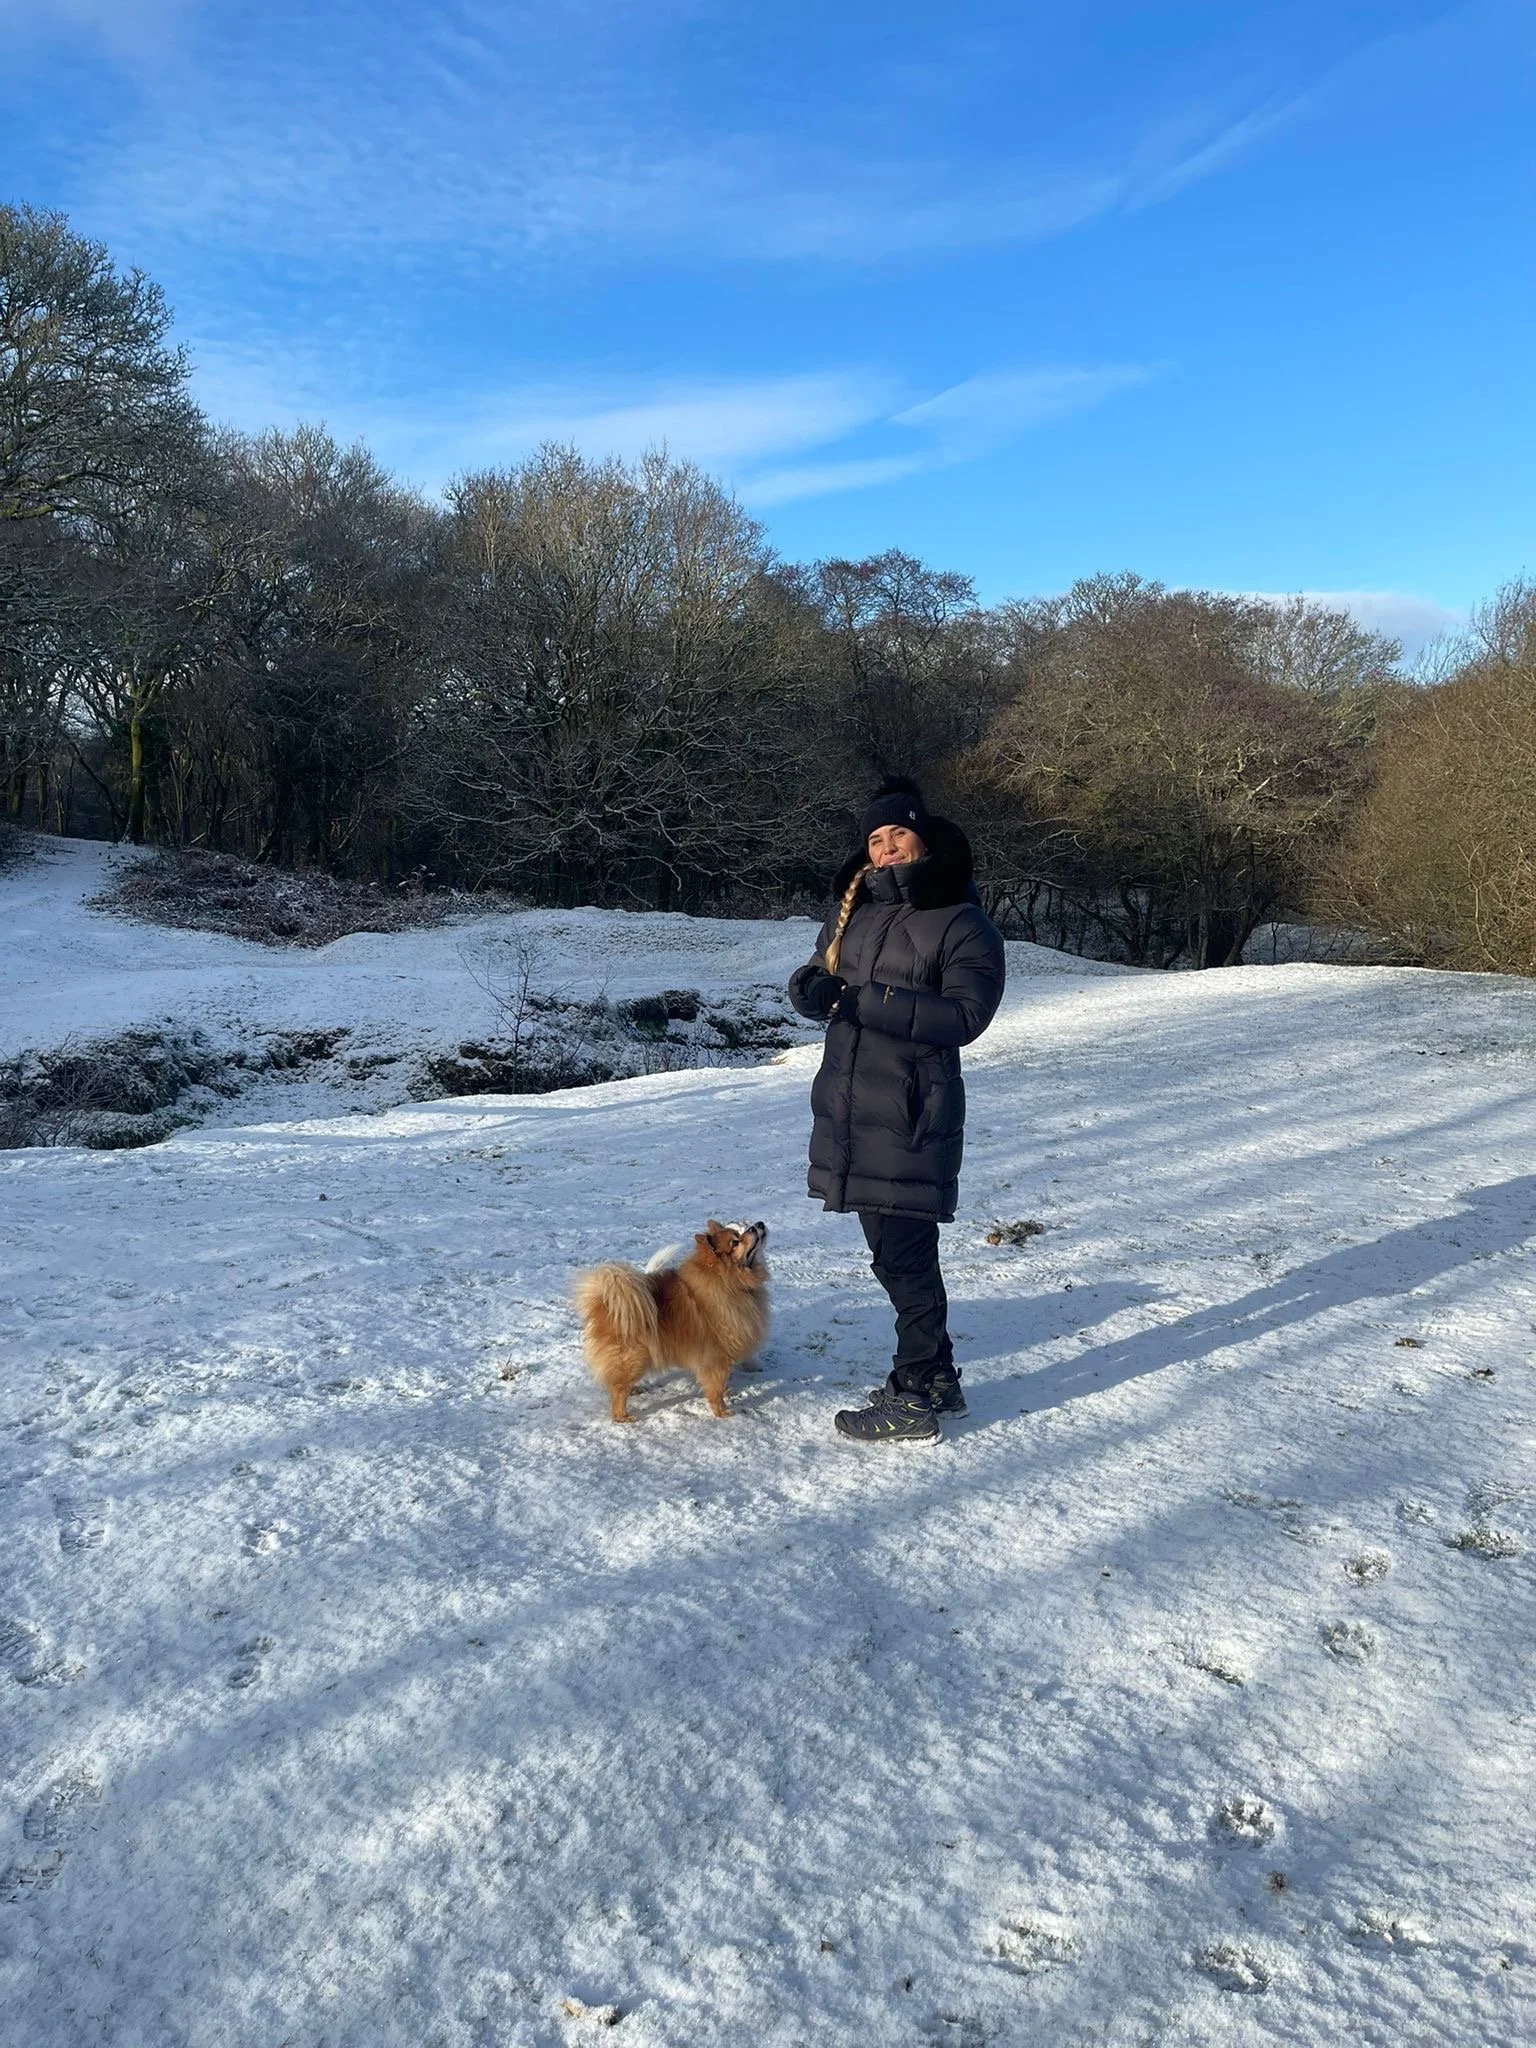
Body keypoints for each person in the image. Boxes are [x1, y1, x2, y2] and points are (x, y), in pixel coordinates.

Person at [788, 776, 1006, 1442]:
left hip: (911, 1111)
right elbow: (818, 972)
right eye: (875, 840)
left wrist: (860, 1002)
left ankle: (913, 1395)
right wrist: (808, 988)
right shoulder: (855, 911)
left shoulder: (962, 920)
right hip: (854, 1109)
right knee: (896, 1255)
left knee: (904, 1258)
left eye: (897, 836)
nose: (885, 850)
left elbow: (965, 1015)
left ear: (923, 836)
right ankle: (938, 1379)